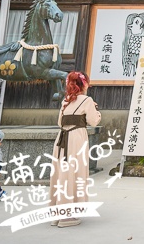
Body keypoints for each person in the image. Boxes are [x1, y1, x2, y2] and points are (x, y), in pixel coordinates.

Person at [49, 71, 101, 227]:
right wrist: (96, 110)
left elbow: (60, 122)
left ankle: (57, 214)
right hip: (76, 138)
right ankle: (68, 216)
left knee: (61, 173)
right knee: (73, 173)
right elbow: (94, 121)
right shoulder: (87, 100)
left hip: (62, 138)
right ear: (83, 84)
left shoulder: (65, 100)